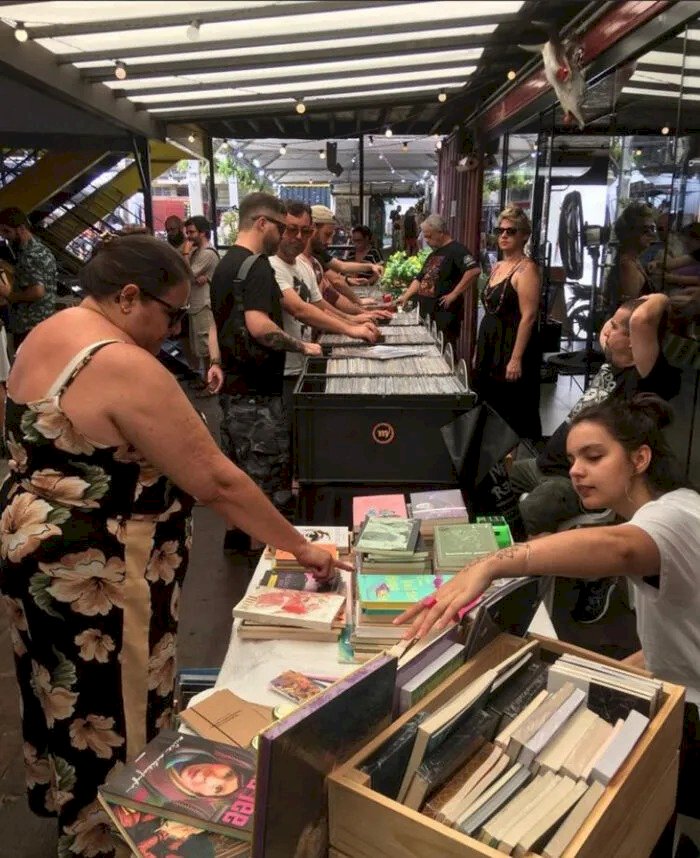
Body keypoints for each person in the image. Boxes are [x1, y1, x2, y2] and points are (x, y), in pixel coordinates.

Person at [0, 232, 345, 857]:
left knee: (57, 689)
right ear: (129, 297)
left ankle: (71, 810)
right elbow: (215, 478)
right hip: (102, 573)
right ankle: (114, 837)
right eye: (172, 313)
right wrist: (300, 547)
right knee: (117, 707)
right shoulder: (121, 362)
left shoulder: (45, 332)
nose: (174, 330)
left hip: (34, 551)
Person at [396, 393, 700, 831]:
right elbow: (669, 650)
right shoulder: (678, 505)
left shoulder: (670, 516)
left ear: (640, 458)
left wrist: (493, 562)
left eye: (594, 456)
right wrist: (601, 676)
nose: (576, 470)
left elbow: (619, 549)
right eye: (574, 458)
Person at [510, 293, 681, 622]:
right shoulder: (613, 364)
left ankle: (586, 575)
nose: (605, 331)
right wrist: (616, 324)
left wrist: (660, 297)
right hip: (549, 464)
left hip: (577, 482)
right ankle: (522, 546)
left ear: (636, 340)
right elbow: (619, 331)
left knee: (536, 505)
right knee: (502, 479)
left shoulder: (650, 379)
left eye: (616, 326)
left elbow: (645, 318)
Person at [209, 192, 322, 553]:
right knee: (268, 480)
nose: (283, 234)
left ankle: (237, 538)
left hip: (232, 389)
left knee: (235, 474)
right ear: (262, 223)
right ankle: (268, 558)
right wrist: (304, 346)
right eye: (280, 227)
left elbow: (217, 322)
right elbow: (259, 326)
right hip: (258, 394)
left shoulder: (225, 265)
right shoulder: (257, 267)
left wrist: (215, 361)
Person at [268, 201, 380, 408]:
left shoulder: (304, 264)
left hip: (307, 356)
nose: (299, 237)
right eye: (291, 230)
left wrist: (354, 319)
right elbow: (300, 309)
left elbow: (321, 305)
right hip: (282, 368)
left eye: (305, 230)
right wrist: (351, 327)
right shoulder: (270, 265)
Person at [473, 206, 542, 443]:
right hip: (490, 342)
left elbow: (529, 316)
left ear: (524, 235)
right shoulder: (498, 266)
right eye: (499, 230)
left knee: (511, 409)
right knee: (488, 403)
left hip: (510, 344)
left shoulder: (527, 269)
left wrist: (516, 358)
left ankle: (512, 465)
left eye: (510, 231)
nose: (503, 235)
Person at [396, 213, 480, 351]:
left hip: (444, 316)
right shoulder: (433, 254)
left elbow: (473, 270)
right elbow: (419, 278)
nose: (427, 240)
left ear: (441, 232)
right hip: (427, 314)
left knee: (443, 351)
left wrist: (454, 294)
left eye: (429, 236)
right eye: (425, 236)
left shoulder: (457, 250)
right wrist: (405, 296)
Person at [0, 207, 57, 350]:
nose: (5, 236)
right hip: (43, 321)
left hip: (29, 326)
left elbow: (37, 291)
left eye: (7, 231)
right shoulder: (41, 250)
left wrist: (10, 295)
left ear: (21, 228)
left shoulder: (29, 255)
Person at [183, 216, 219, 391]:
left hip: (204, 306)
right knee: (199, 347)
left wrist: (185, 253)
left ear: (203, 233)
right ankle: (207, 381)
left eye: (192, 232)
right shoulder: (197, 252)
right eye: (187, 232)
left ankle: (211, 384)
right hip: (196, 305)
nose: (188, 236)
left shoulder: (206, 253)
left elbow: (185, 274)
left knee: (206, 348)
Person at [603, 202, 657, 314]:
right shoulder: (628, 266)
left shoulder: (633, 260)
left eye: (653, 228)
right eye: (646, 230)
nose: (652, 234)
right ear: (632, 233)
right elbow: (629, 313)